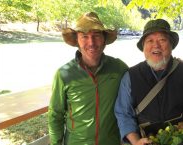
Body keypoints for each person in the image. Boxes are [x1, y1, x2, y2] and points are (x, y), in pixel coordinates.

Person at [48, 12, 128, 145]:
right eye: (84, 36)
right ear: (77, 41)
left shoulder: (119, 68)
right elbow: (55, 114)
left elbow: (134, 96)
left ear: (104, 40)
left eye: (96, 35)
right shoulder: (64, 75)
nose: (91, 42)